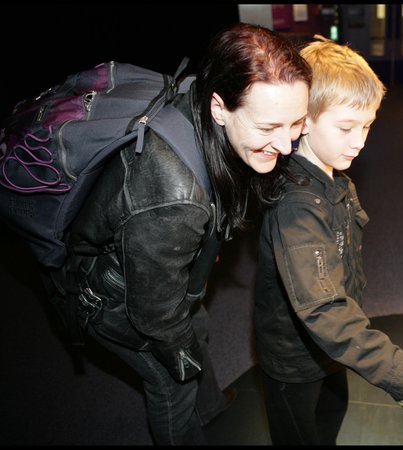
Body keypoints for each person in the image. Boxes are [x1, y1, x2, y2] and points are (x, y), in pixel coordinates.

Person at [44, 23, 311, 445]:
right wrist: (176, 349)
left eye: (296, 122)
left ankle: (212, 409)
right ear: (219, 108)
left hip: (156, 264)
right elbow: (153, 310)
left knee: (196, 327)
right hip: (114, 295)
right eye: (268, 128)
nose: (286, 143)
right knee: (173, 385)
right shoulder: (175, 195)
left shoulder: (202, 98)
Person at [253, 37, 403, 445]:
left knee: (331, 417)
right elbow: (324, 309)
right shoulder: (297, 207)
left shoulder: (334, 180)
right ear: (304, 120)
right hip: (294, 360)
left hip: (331, 350)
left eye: (367, 126)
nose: (360, 141)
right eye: (346, 128)